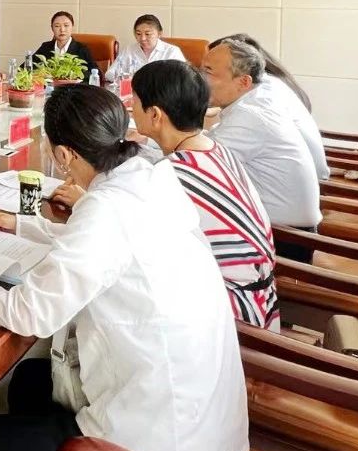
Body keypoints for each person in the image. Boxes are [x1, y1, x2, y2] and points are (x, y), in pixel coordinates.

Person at [0, 85, 247, 451]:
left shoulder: (105, 209)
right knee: (29, 383)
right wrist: (24, 225)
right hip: (205, 423)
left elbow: (30, 313)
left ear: (64, 154)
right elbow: (113, 246)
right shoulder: (149, 177)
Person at [129, 60, 279, 331]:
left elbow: (129, 239)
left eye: (135, 101)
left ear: (155, 115)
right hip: (263, 304)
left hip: (230, 320)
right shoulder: (216, 150)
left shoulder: (169, 176)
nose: (130, 107)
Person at [201, 39, 321, 262]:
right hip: (278, 229)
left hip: (283, 241)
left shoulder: (250, 116)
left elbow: (197, 164)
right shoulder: (254, 102)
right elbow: (208, 144)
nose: (199, 79)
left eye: (208, 72)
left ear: (243, 82)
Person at [209, 34, 328, 180]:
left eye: (209, 69)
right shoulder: (268, 86)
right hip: (308, 172)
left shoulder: (254, 108)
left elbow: (205, 159)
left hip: (314, 179)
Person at [104, 14, 185, 82]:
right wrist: (124, 78)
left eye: (147, 34)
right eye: (138, 34)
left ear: (159, 34)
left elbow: (182, 78)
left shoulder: (172, 52)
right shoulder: (129, 50)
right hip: (133, 93)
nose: (142, 38)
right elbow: (110, 74)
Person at [32, 11, 98, 75]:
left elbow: (96, 74)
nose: (62, 30)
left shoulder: (82, 49)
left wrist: (74, 75)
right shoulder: (45, 47)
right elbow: (28, 67)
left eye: (66, 25)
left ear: (72, 27)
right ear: (52, 28)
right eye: (57, 26)